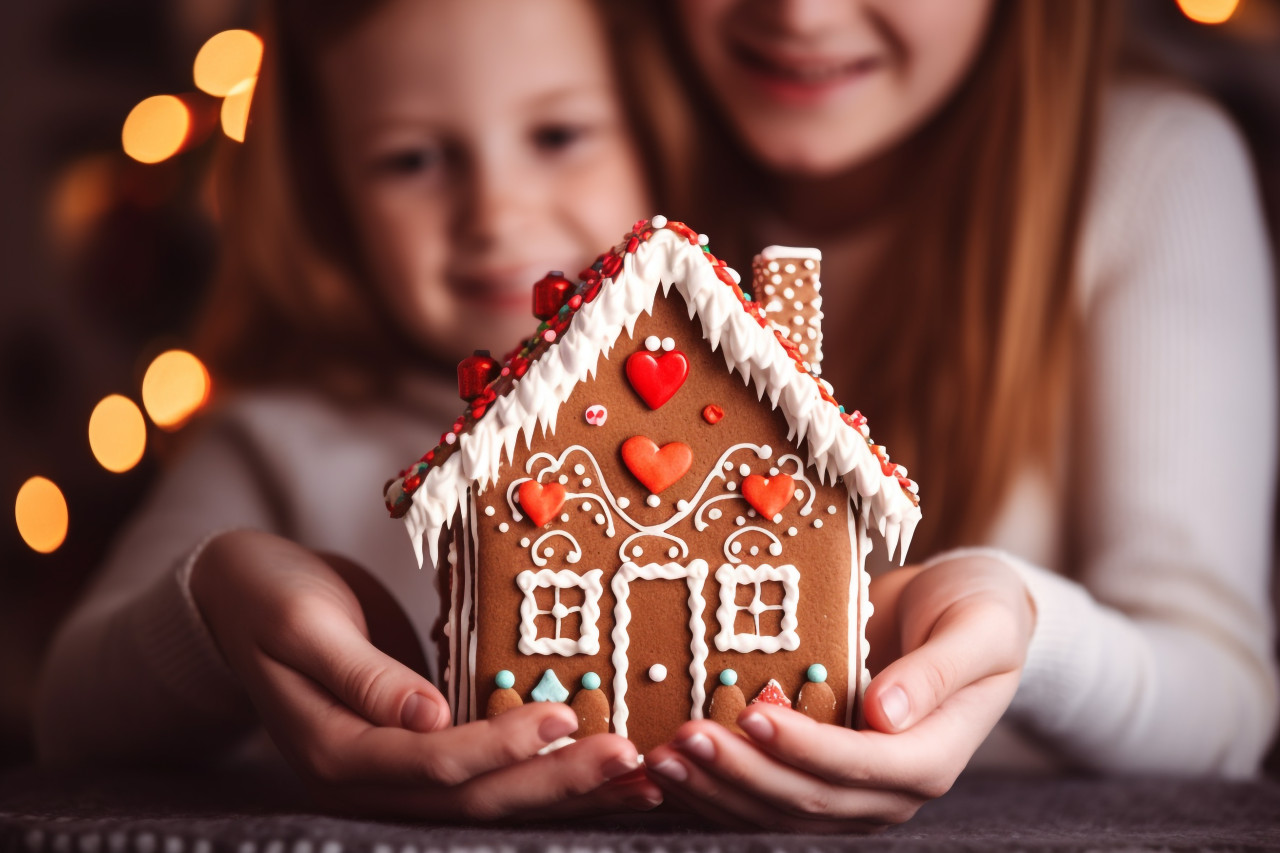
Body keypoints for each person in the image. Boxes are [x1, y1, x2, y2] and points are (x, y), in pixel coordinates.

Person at [628, 0, 1280, 832]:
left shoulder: (1152, 166)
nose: (801, 14)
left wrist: (1022, 631)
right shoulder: (572, 144)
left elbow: (1223, 703)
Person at [35, 0, 666, 819]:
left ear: (656, 135)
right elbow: (68, 712)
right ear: (328, 193)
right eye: (411, 159)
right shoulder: (274, 445)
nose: (498, 212)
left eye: (558, 136)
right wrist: (217, 606)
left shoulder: (744, 425)